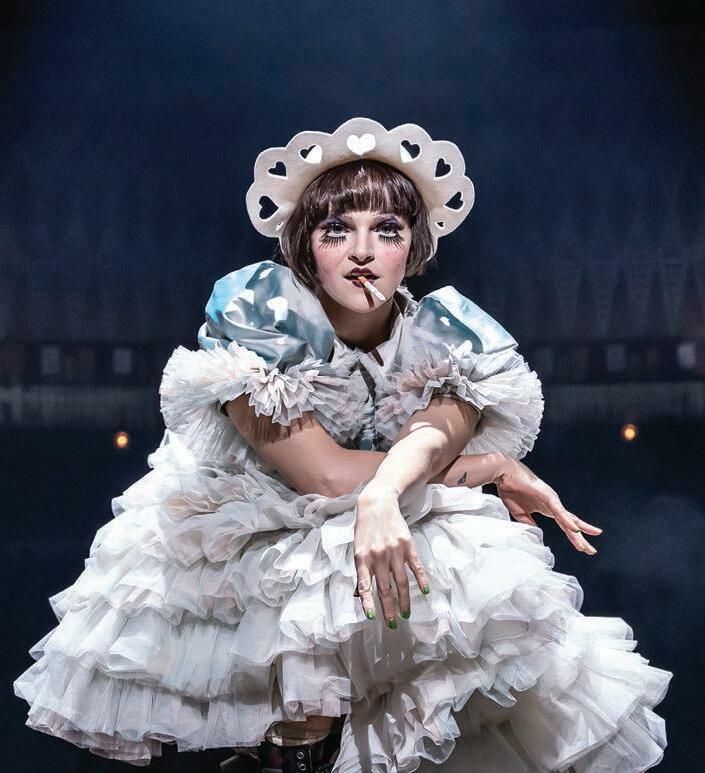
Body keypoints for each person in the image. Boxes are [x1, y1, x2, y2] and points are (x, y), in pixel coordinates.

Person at [14, 117, 671, 773]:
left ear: (413, 246)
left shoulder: (450, 336)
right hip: (254, 539)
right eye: (336, 230)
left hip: (380, 524)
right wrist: (487, 467)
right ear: (306, 245)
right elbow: (324, 477)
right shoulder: (262, 313)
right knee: (312, 674)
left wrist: (397, 489)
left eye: (387, 229)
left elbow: (426, 441)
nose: (361, 251)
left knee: (488, 628)